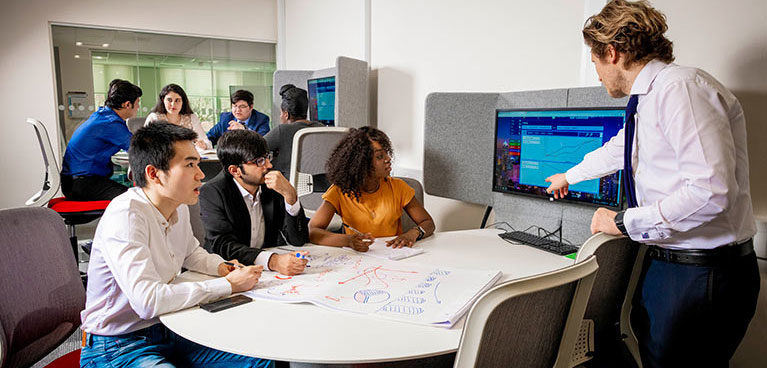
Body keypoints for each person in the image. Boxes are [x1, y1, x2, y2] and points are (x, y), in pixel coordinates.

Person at [544, 1, 759, 367]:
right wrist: (570, 175)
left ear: (611, 52)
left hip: (701, 273)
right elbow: (621, 149)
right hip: (675, 268)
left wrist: (623, 222)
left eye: (595, 62)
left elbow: (711, 192)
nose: (596, 73)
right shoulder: (653, 97)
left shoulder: (682, 90)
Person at [79, 122, 271, 367]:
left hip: (169, 327)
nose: (201, 174)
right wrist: (226, 285)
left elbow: (191, 253)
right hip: (117, 343)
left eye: (198, 164)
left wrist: (223, 267)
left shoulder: (176, 205)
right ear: (153, 174)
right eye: (190, 164)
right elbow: (148, 302)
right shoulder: (126, 215)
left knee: (261, 361)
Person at [199, 129, 309, 275]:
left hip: (266, 273)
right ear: (235, 170)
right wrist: (272, 261)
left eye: (267, 157)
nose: (269, 165)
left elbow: (298, 240)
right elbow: (223, 245)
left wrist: (290, 196)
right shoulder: (212, 192)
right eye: (259, 161)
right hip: (228, 272)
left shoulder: (272, 185)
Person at [309, 127, 435, 251]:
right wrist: (348, 241)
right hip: (358, 259)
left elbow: (428, 223)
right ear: (361, 163)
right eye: (380, 156)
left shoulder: (399, 187)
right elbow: (313, 231)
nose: (388, 159)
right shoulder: (339, 191)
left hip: (393, 256)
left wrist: (412, 233)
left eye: (387, 153)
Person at [61, 79, 142, 201]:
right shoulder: (111, 123)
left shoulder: (103, 116)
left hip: (74, 181)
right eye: (137, 103)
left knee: (131, 192)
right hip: (81, 184)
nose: (138, 107)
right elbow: (139, 149)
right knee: (133, 200)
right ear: (127, 105)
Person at [264, 84, 324, 177]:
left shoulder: (282, 130)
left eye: (281, 113)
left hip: (288, 185)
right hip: (322, 186)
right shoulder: (321, 128)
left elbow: (254, 148)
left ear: (286, 114)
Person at [145, 83, 212, 150]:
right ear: (163, 100)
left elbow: (207, 142)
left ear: (182, 102)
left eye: (177, 100)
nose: (173, 104)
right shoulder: (154, 118)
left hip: (186, 158)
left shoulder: (191, 118)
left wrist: (204, 145)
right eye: (169, 100)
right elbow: (144, 144)